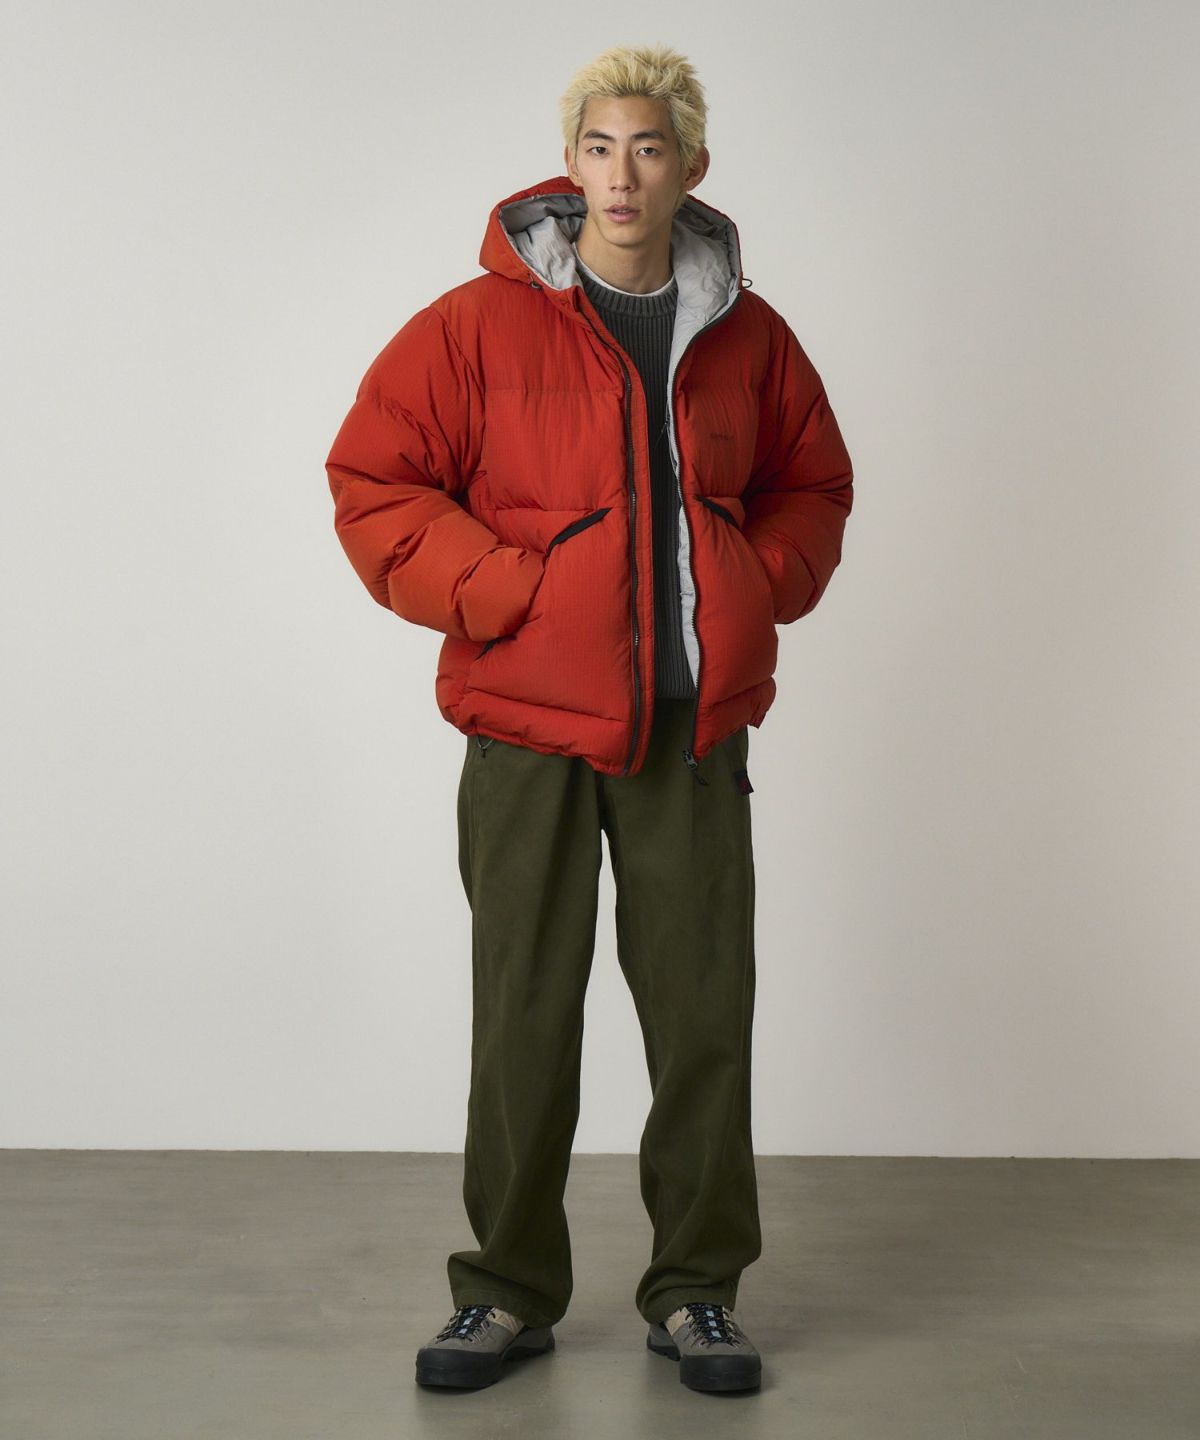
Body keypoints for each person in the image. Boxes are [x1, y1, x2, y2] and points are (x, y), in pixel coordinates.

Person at [325, 43, 854, 1395]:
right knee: (522, 1015)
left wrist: (753, 581)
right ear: (571, 163)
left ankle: (698, 1293)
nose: (623, 175)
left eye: (650, 148)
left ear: (691, 167)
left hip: (691, 733)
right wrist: (502, 589)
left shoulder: (747, 335)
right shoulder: (473, 328)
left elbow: (813, 484)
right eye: (601, 148)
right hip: (526, 731)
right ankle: (503, 1292)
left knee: (702, 1014)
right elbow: (376, 480)